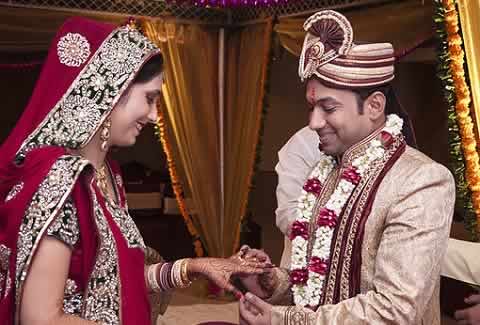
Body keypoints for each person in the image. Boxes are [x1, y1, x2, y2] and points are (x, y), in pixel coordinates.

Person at [0, 17, 268, 325]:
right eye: (150, 99)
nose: (155, 116)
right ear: (109, 92)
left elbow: (116, 281)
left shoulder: (107, 174)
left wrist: (196, 266)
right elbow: (40, 319)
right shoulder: (60, 179)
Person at [237, 9, 456, 325]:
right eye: (312, 107)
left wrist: (284, 320)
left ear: (374, 106)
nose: (314, 122)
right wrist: (271, 282)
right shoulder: (326, 171)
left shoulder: (421, 181)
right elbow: (318, 282)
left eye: (328, 107)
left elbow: (395, 310)